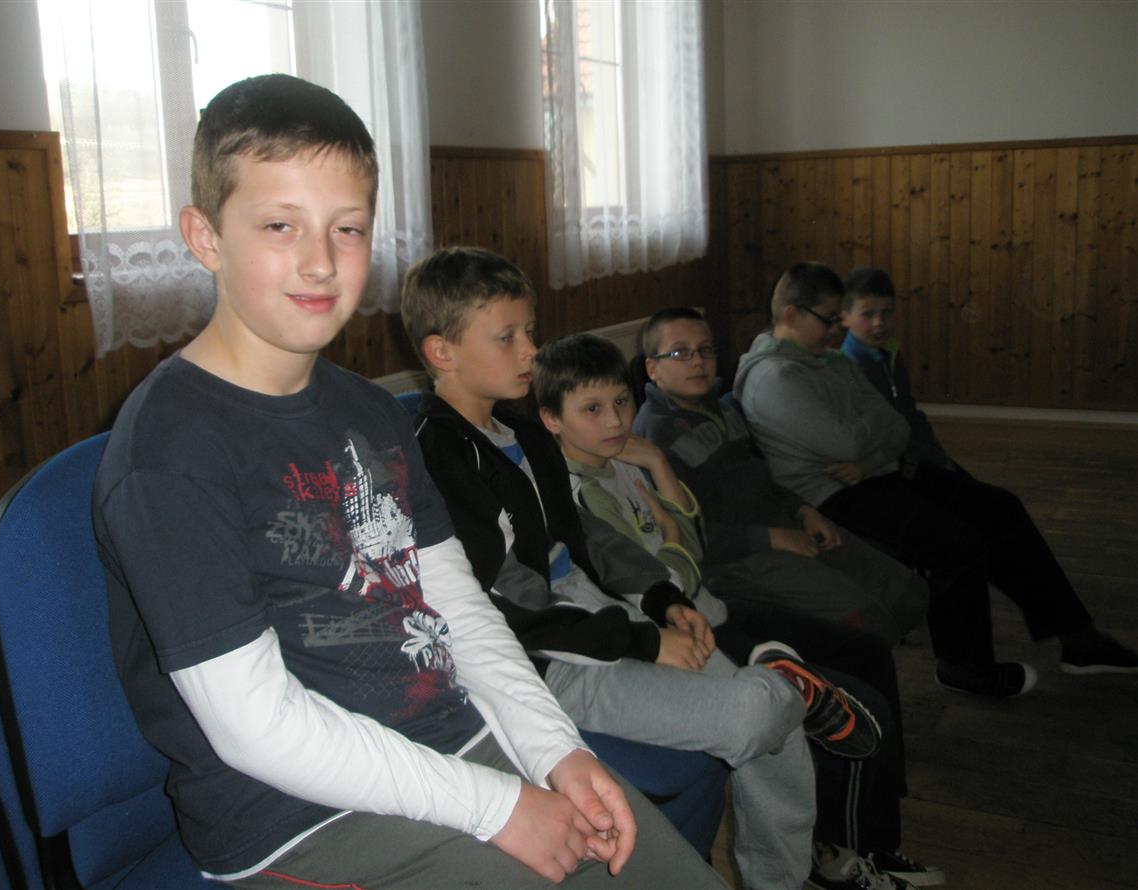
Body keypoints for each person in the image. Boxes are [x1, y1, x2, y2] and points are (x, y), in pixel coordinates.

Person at [93, 74, 727, 890]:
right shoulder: (171, 450)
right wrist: (498, 807)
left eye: (348, 228)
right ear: (205, 236)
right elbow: (256, 727)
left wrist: (554, 750)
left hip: (449, 743)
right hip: (295, 818)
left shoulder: (370, 410)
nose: (320, 261)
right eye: (280, 225)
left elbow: (457, 604)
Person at [402, 246, 888, 890]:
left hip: (596, 613)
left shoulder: (521, 429)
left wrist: (660, 600)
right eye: (508, 337)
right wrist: (641, 640)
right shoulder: (437, 458)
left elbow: (585, 536)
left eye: (530, 332)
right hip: (545, 660)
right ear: (442, 352)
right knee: (758, 715)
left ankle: (778, 879)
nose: (531, 351)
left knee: (777, 732)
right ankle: (783, 684)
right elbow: (502, 610)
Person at [535, 332, 944, 888]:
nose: (615, 420)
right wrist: (674, 536)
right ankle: (822, 850)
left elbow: (694, 545)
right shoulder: (575, 493)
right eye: (592, 408)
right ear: (551, 420)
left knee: (864, 656)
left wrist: (657, 465)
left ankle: (847, 843)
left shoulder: (627, 461)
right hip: (677, 626)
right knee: (801, 710)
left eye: (621, 401)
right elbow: (666, 576)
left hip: (706, 605)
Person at [733, 261, 1138, 697]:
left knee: (1000, 509)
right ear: (792, 314)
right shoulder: (775, 377)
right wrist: (868, 438)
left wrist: (867, 446)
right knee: (957, 544)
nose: (837, 329)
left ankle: (1078, 638)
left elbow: (897, 425)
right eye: (829, 318)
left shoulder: (828, 361)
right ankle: (963, 666)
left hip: (874, 473)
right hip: (831, 496)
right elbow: (847, 442)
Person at [631, 308, 928, 647]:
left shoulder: (722, 409)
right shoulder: (656, 437)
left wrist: (802, 509)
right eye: (680, 352)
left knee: (908, 591)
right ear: (653, 368)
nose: (698, 361)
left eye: (706, 349)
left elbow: (761, 476)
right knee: (865, 617)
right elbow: (686, 536)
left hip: (782, 524)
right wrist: (772, 538)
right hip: (733, 560)